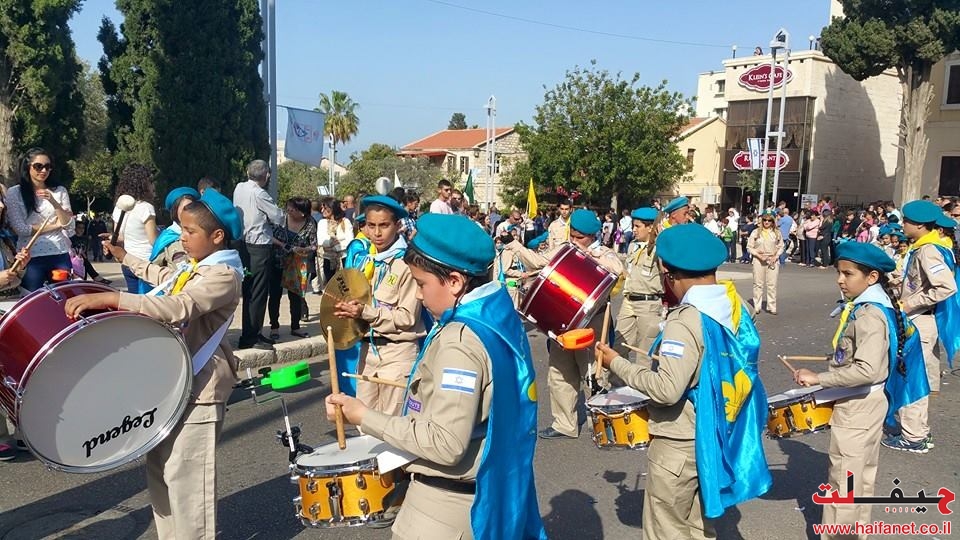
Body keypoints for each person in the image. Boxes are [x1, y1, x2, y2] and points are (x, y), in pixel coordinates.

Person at [325, 213, 546, 540]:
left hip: (442, 511)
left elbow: (445, 443)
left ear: (455, 281)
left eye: (421, 283)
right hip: (486, 490)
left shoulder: (460, 342)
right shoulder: (496, 315)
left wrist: (363, 416)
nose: (417, 295)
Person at [64, 188, 244, 540]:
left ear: (217, 236)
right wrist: (125, 257)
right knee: (160, 471)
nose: (183, 238)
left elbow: (178, 306)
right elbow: (163, 277)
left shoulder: (223, 275)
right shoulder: (194, 267)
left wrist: (113, 297)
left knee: (188, 482)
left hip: (201, 388)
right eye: (182, 230)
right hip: (171, 384)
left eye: (190, 232)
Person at [596, 223, 771, 540]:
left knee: (666, 530)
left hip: (680, 442)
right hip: (716, 433)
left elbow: (667, 390)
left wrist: (616, 363)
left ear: (669, 273)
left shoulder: (686, 320)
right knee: (699, 528)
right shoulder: (737, 307)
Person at [793, 242, 929, 538]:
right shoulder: (878, 307)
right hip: (872, 402)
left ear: (872, 277)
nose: (840, 280)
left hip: (857, 404)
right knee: (861, 481)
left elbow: (868, 370)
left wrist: (818, 378)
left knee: (844, 484)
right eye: (839, 273)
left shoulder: (868, 315)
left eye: (848, 274)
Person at [502, 209, 624, 439]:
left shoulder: (604, 253)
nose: (575, 241)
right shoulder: (565, 248)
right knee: (560, 372)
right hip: (562, 321)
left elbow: (617, 270)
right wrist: (514, 244)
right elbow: (537, 262)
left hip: (592, 322)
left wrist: (590, 256)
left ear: (592, 236)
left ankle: (600, 423)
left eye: (580, 238)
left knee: (593, 373)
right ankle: (564, 424)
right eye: (572, 236)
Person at [333, 195, 426, 415]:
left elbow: (407, 318)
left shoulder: (407, 264)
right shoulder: (364, 261)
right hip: (368, 353)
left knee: (391, 425)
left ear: (397, 225)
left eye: (384, 225)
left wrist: (364, 312)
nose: (376, 233)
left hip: (398, 353)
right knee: (363, 422)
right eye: (371, 225)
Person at [884, 200, 959, 453]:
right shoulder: (922, 247)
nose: (902, 225)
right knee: (917, 377)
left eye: (906, 221)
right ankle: (918, 431)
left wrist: (908, 304)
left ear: (918, 225)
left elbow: (946, 287)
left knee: (911, 379)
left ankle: (913, 436)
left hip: (921, 321)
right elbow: (916, 281)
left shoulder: (928, 251)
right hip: (922, 320)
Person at [5, 148, 75, 291]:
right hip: (29, 256)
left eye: (48, 167)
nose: (44, 171)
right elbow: (21, 229)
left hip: (59, 253)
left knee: (63, 296)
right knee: (32, 298)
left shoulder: (59, 190)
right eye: (38, 166)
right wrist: (55, 225)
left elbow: (69, 225)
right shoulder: (14, 193)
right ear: (27, 167)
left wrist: (54, 203)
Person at [234, 159, 285, 349]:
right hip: (259, 246)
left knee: (249, 290)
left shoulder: (239, 188)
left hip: (243, 244)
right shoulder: (260, 193)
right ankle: (251, 336)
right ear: (266, 175)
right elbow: (278, 217)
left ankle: (251, 332)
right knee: (258, 292)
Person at [266, 197, 317, 340]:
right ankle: (274, 327)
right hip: (277, 261)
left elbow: (314, 245)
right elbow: (268, 235)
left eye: (293, 208)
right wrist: (282, 245)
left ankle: (296, 326)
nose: (289, 210)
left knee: (296, 296)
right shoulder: (280, 219)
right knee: (275, 295)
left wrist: (303, 249)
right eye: (288, 207)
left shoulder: (310, 223)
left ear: (302, 212)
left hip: (297, 263)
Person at [616, 207, 664, 359]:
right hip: (628, 300)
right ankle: (617, 375)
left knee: (645, 353)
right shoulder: (633, 246)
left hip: (648, 303)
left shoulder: (659, 249)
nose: (634, 230)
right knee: (618, 346)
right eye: (633, 226)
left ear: (650, 228)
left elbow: (665, 269)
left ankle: (643, 376)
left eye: (638, 226)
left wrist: (662, 243)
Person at [112, 164, 159, 293]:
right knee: (148, 301)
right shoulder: (146, 207)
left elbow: (120, 236)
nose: (153, 186)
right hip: (146, 263)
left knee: (133, 299)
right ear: (143, 184)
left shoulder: (118, 207)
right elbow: (153, 241)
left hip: (127, 261)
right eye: (150, 182)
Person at [150, 187, 200, 270]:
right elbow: (154, 268)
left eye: (191, 208)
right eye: (184, 209)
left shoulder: (202, 233)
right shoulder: (167, 239)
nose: (188, 212)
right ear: (175, 211)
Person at [748, 212, 784, 315]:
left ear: (773, 222)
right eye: (765, 220)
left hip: (772, 259)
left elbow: (781, 246)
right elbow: (749, 247)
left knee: (772, 284)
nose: (766, 222)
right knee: (758, 284)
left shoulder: (777, 233)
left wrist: (776, 256)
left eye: (769, 220)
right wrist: (758, 255)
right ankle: (757, 306)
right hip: (759, 259)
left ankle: (772, 306)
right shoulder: (756, 232)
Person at [316, 198, 354, 284]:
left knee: (345, 285)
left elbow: (350, 240)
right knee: (331, 285)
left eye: (325, 208)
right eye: (322, 208)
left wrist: (335, 246)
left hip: (344, 258)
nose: (322, 211)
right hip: (328, 259)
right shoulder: (322, 223)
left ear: (332, 208)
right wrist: (332, 243)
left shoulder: (345, 222)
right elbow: (321, 241)